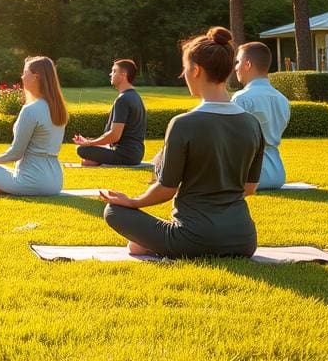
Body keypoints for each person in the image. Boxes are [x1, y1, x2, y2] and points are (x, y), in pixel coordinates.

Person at [100, 27, 263, 258]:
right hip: (243, 240)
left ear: (195, 70)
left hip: (194, 239)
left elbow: (167, 189)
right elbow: (249, 188)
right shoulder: (252, 123)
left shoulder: (183, 123)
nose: (182, 75)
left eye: (185, 68)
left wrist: (133, 202)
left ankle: (156, 244)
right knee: (137, 243)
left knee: (114, 211)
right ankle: (153, 243)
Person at [0, 56, 68, 196]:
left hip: (33, 182)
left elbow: (16, 153)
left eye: (25, 72)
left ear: (36, 77)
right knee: (3, 171)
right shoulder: (58, 108)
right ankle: (4, 189)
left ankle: (6, 189)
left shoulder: (31, 110)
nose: (22, 77)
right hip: (55, 183)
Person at [231, 41, 291, 190]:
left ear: (248, 64)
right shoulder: (282, 99)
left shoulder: (241, 98)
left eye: (238, 62)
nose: (235, 67)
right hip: (277, 174)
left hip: (248, 176)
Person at [73, 59, 147, 166]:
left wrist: (89, 143)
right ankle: (93, 159)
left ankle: (93, 158)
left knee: (82, 149)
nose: (110, 74)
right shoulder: (136, 97)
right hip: (135, 154)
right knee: (87, 153)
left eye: (114, 71)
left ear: (123, 75)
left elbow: (114, 136)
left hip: (125, 155)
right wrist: (90, 142)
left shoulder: (123, 100)